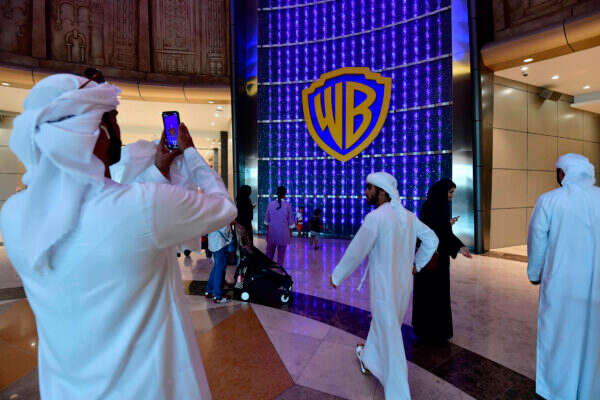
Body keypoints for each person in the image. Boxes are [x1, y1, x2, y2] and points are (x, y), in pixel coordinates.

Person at [0, 73, 237, 399]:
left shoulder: (14, 215)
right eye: (112, 119)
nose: (118, 130)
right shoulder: (142, 207)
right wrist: (192, 154)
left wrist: (159, 168)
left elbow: (114, 209)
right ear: (98, 131)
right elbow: (224, 207)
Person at [330, 172, 439, 399]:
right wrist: (417, 264)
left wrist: (337, 276)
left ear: (381, 192)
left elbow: (356, 251)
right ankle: (368, 358)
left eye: (369, 188)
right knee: (386, 327)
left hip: (384, 291)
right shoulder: (409, 216)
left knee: (392, 341)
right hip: (403, 289)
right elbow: (432, 239)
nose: (366, 192)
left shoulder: (376, 217)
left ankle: (399, 395)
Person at [527, 153, 600, 400]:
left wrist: (535, 273)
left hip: (561, 286)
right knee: (592, 341)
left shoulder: (549, 200)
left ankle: (558, 391)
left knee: (559, 339)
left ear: (563, 172)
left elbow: (537, 240)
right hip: (595, 287)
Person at [412, 179, 472, 342]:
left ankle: (429, 330)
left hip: (431, 258)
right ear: (442, 191)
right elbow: (438, 232)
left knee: (431, 295)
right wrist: (459, 246)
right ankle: (434, 332)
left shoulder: (434, 206)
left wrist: (450, 229)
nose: (452, 196)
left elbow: (440, 229)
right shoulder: (435, 207)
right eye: (450, 192)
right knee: (434, 295)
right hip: (433, 259)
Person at [264, 186, 294, 266]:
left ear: (277, 193)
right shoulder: (288, 205)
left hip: (272, 233)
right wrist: (290, 234)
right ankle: (279, 270)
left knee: (269, 254)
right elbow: (291, 223)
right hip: (283, 234)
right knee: (281, 255)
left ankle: (268, 269)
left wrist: (269, 231)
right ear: (285, 194)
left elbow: (266, 222)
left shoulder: (270, 204)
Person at [206, 224, 234, 303]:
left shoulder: (209, 216)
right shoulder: (222, 216)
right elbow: (226, 230)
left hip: (213, 241)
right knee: (220, 269)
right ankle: (218, 296)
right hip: (220, 243)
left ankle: (209, 291)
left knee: (216, 267)